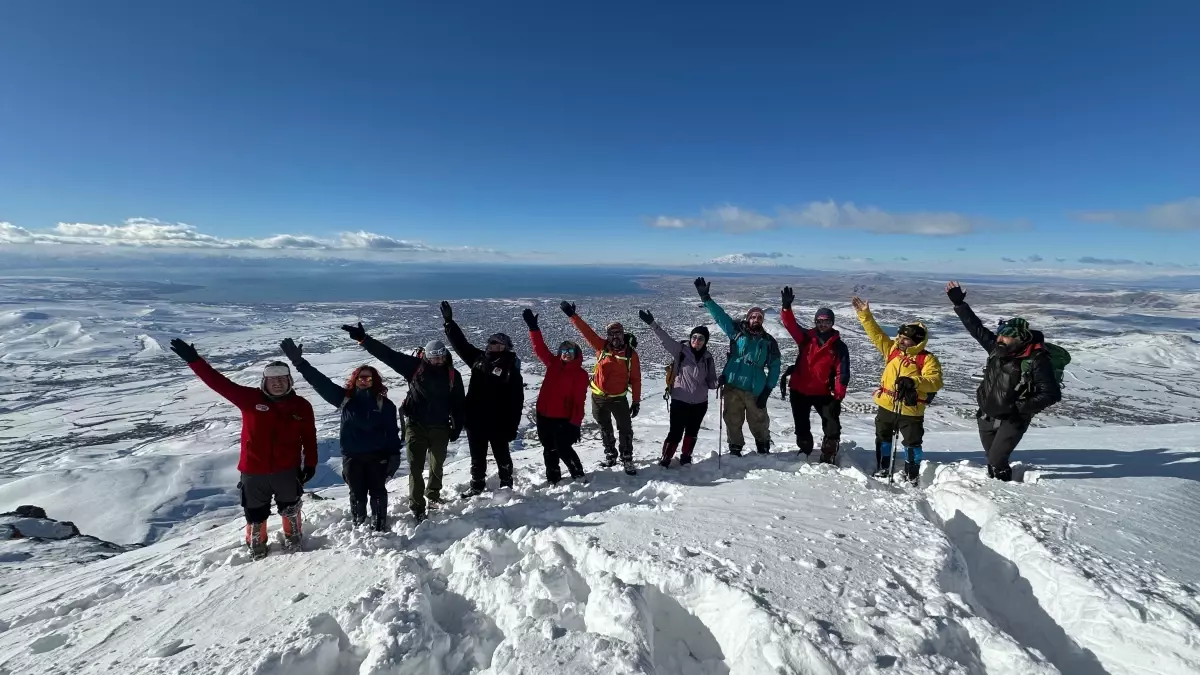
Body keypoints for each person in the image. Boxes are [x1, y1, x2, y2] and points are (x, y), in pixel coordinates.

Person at [169, 339, 317, 557]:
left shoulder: (302, 406)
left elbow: (309, 438)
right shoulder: (249, 399)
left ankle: (293, 539)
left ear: (290, 381)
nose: (277, 383)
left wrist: (311, 463)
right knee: (255, 514)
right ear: (263, 382)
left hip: (287, 470)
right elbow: (218, 383)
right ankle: (257, 546)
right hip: (253, 471)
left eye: (282, 379)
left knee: (291, 508)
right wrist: (195, 361)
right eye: (272, 379)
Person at [340, 322, 465, 522]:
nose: (438, 360)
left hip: (440, 426)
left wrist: (458, 425)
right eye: (434, 357)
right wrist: (364, 340)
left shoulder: (452, 375)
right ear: (426, 356)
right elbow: (388, 355)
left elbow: (458, 403)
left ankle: (433, 494)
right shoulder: (415, 368)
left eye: (441, 356)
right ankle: (417, 505)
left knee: (437, 464)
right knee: (415, 468)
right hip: (416, 425)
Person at [279, 339, 401, 531]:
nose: (364, 381)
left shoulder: (385, 405)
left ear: (374, 381)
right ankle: (360, 526)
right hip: (353, 458)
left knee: (378, 492)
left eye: (368, 378)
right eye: (360, 377)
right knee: (357, 493)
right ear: (355, 379)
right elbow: (321, 383)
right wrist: (299, 363)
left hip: (378, 458)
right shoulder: (345, 400)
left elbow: (393, 433)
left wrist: (394, 456)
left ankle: (379, 525)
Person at [946, 281, 1062, 481]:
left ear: (1019, 338)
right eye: (999, 335)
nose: (999, 339)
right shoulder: (996, 349)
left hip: (1013, 417)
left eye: (1005, 337)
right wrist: (959, 305)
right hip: (986, 413)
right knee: (990, 455)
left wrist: (1018, 408)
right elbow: (975, 328)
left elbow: (1051, 393)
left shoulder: (1035, 359)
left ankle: (1003, 485)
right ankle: (995, 476)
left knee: (996, 458)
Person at [851, 296, 944, 482]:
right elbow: (875, 334)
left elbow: (935, 381)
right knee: (883, 437)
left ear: (916, 341)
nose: (901, 341)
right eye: (900, 337)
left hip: (911, 408)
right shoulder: (892, 350)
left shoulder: (926, 359)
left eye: (906, 339)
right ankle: (883, 466)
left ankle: (912, 473)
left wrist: (914, 382)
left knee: (912, 442)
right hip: (886, 404)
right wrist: (864, 314)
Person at [439, 301, 525, 497]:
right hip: (475, 419)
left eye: (497, 342)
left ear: (505, 347)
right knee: (477, 457)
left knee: (502, 454)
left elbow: (516, 401)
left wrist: (512, 426)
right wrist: (449, 323)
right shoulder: (478, 358)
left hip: (498, 421)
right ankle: (477, 485)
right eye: (491, 341)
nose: (492, 344)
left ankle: (506, 484)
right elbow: (461, 345)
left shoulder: (512, 369)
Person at [694, 277, 781, 456]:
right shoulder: (736, 332)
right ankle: (735, 447)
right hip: (732, 385)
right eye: (753, 316)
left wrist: (767, 390)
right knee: (732, 419)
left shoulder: (768, 342)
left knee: (759, 420)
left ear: (762, 321)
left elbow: (775, 367)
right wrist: (706, 299)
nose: (756, 319)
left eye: (759, 317)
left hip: (755, 388)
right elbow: (721, 317)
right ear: (748, 318)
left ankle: (763, 445)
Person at [559, 301, 643, 475]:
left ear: (623, 334)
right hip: (598, 397)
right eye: (611, 334)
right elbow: (586, 332)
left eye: (618, 333)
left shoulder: (630, 355)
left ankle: (627, 458)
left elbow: (635, 379)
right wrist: (572, 316)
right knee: (605, 427)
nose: (615, 337)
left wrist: (636, 401)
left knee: (625, 428)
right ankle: (610, 455)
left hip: (619, 398)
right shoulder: (601, 347)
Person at [779, 287, 851, 463]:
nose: (823, 324)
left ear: (832, 323)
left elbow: (843, 372)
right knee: (801, 424)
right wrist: (786, 308)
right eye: (820, 321)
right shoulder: (806, 337)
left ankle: (829, 451)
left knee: (832, 423)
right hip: (800, 390)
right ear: (815, 322)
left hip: (823, 392)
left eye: (827, 321)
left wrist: (838, 397)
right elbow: (790, 325)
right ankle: (805, 449)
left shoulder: (839, 346)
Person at [639, 309, 718, 467]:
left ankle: (686, 457)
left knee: (692, 432)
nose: (697, 340)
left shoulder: (708, 359)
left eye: (701, 338)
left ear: (705, 341)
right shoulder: (680, 350)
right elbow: (665, 339)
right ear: (690, 338)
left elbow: (711, 383)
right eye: (694, 337)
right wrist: (652, 324)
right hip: (680, 400)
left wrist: (721, 380)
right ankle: (666, 458)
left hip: (700, 403)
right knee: (675, 432)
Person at [523, 308, 589, 484]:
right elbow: (540, 349)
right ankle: (553, 477)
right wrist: (533, 328)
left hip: (562, 418)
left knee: (563, 447)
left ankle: (578, 473)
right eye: (563, 351)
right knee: (548, 448)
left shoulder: (580, 374)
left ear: (577, 355)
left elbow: (579, 401)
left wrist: (575, 424)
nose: (566, 355)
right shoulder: (553, 364)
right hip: (543, 414)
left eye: (570, 352)